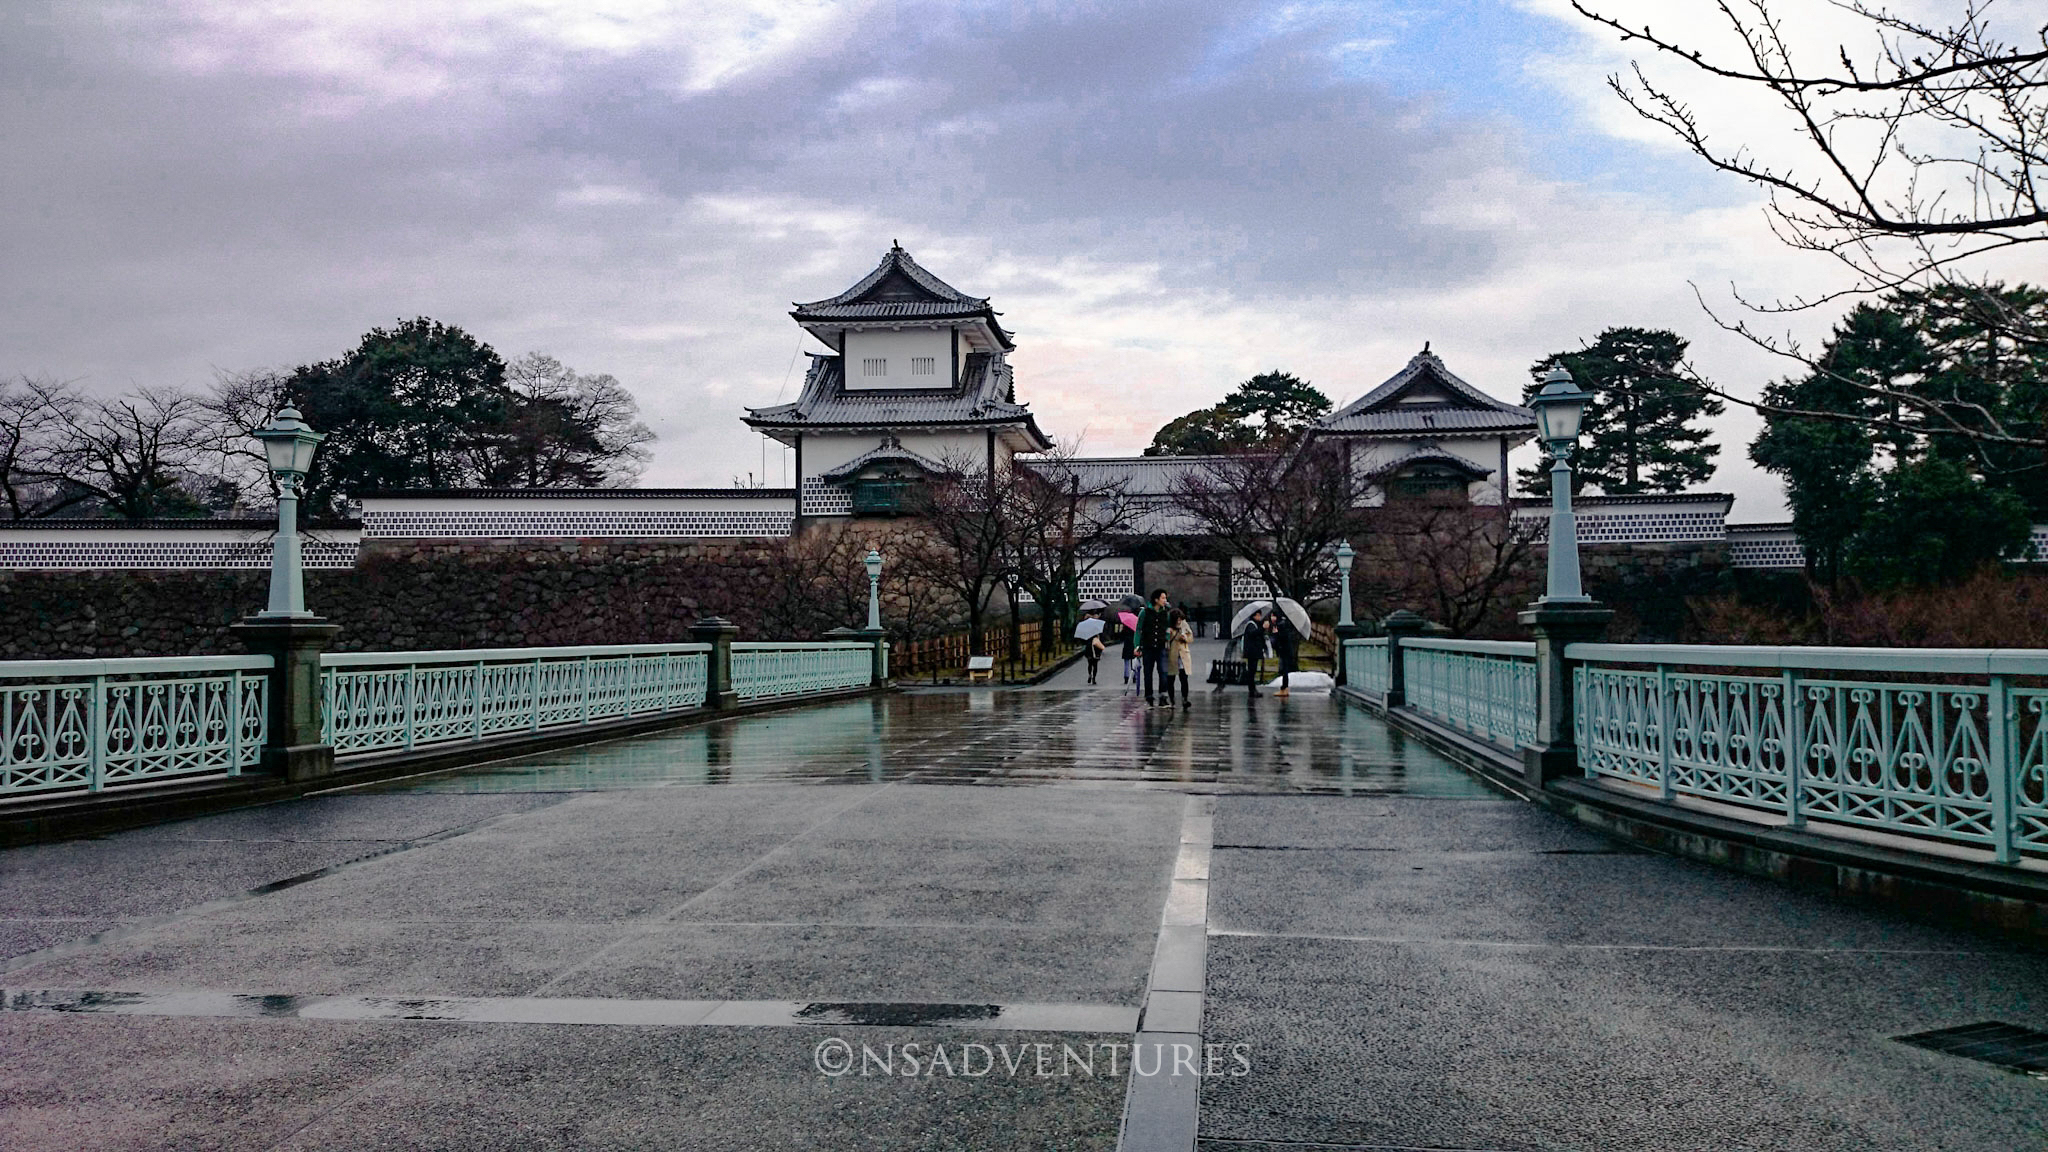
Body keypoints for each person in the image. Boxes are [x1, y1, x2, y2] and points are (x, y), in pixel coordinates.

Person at [1137, 589, 1171, 705]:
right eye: (1163, 598)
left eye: (1165, 598)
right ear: (1156, 599)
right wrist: (1137, 645)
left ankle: (1163, 696)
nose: (1165, 600)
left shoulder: (1165, 613)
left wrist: (1167, 637)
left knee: (1163, 672)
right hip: (1148, 646)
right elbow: (1138, 629)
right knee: (1148, 673)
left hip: (1161, 646)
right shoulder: (1145, 612)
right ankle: (1149, 696)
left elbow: (1168, 628)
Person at [1166, 608, 1195, 709]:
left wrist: (1185, 638)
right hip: (1172, 655)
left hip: (1183, 655)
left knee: (1184, 679)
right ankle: (1172, 701)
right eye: (1177, 620)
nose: (1179, 622)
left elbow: (1191, 637)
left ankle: (1185, 699)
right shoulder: (1169, 627)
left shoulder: (1184, 624)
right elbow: (1165, 640)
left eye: (1180, 619)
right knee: (1171, 679)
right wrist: (1169, 635)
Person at [1270, 611, 1300, 697]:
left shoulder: (1281, 625)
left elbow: (1283, 638)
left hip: (1284, 650)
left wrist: (1276, 634)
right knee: (1284, 670)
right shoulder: (1282, 624)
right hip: (1284, 650)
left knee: (1284, 670)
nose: (1272, 618)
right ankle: (1284, 688)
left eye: (1273, 616)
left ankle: (1284, 688)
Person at [1240, 607, 1268, 697]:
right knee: (1252, 671)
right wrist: (1262, 628)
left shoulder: (1256, 624)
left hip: (1254, 651)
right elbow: (1253, 634)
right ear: (1254, 616)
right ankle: (1252, 690)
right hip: (1252, 652)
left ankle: (1253, 689)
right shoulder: (1251, 624)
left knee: (1253, 670)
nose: (1259, 617)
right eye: (1258, 615)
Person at [1119, 616, 1139, 690]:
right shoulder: (1135, 629)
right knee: (1134, 663)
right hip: (1133, 646)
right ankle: (1134, 677)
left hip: (1126, 647)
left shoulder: (1125, 630)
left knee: (1126, 663)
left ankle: (1126, 677)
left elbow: (1120, 638)